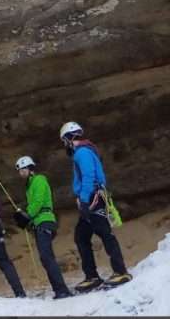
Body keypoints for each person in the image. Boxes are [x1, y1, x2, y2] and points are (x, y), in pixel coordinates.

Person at [60, 121, 132, 292]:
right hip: (92, 198)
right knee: (82, 237)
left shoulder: (82, 153)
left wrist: (84, 200)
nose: (64, 145)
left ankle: (121, 271)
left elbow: (89, 176)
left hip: (92, 199)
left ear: (70, 138)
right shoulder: (85, 150)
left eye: (64, 140)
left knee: (105, 233)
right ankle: (92, 276)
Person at [13, 156, 72, 299]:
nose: (20, 173)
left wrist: (27, 215)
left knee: (47, 257)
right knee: (46, 257)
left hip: (45, 221)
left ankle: (62, 290)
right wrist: (27, 219)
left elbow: (38, 201)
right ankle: (59, 290)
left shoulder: (39, 180)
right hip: (40, 222)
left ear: (28, 168)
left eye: (21, 170)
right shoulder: (30, 184)